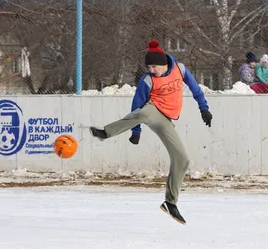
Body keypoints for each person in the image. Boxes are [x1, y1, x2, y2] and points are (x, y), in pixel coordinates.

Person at [89, 40, 213, 225]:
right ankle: (106, 133)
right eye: (149, 66)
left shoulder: (180, 69)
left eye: (153, 66)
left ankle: (170, 203)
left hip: (167, 119)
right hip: (153, 110)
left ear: (163, 63)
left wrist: (204, 108)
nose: (151, 69)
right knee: (144, 111)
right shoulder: (147, 80)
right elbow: (136, 107)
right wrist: (136, 131)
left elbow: (195, 89)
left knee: (182, 159)